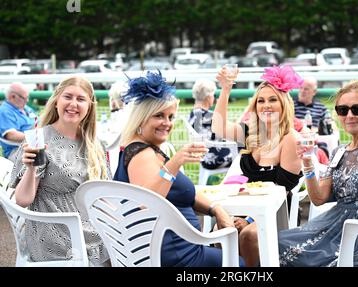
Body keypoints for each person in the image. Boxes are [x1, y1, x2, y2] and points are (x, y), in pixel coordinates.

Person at [113, 70, 244, 267]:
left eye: (171, 117)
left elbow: (183, 193)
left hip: (182, 248)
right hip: (175, 256)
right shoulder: (141, 154)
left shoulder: (148, 150)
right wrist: (175, 163)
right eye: (159, 116)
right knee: (242, 263)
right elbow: (147, 203)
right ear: (141, 118)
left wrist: (214, 208)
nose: (167, 123)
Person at [278, 80, 358, 267]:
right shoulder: (338, 152)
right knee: (276, 243)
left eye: (357, 109)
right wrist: (308, 164)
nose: (350, 115)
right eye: (343, 110)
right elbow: (319, 198)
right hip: (332, 226)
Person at [9, 76, 110, 266]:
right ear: (56, 101)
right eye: (68, 97)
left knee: (131, 238)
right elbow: (22, 200)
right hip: (56, 230)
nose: (73, 104)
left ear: (89, 107)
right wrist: (31, 168)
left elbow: (103, 194)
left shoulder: (95, 144)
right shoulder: (39, 140)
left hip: (88, 223)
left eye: (80, 99)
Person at [212, 65, 304, 266]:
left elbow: (283, 189)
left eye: (272, 100)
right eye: (261, 101)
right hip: (246, 207)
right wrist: (226, 89)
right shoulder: (250, 133)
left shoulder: (290, 139)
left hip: (277, 212)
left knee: (248, 236)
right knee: (221, 231)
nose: (266, 105)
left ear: (283, 105)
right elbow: (218, 128)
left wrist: (251, 220)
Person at [189, 78, 233, 170]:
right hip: (215, 159)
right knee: (245, 155)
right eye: (214, 95)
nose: (214, 98)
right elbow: (231, 131)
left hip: (205, 158)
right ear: (208, 97)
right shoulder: (209, 116)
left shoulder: (193, 114)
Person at [0, 82, 37, 159]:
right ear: (12, 96)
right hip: (18, 150)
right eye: (24, 98)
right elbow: (11, 135)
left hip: (35, 145)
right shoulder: (4, 111)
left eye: (28, 97)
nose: (27, 100)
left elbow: (39, 123)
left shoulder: (26, 108)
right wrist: (37, 137)